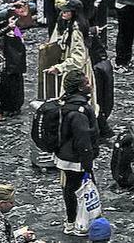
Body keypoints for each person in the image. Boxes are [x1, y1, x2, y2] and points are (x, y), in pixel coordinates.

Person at [54, 70, 96, 236]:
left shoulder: (65, 104)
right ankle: (77, 222)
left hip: (65, 155)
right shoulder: (79, 112)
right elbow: (83, 140)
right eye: (86, 83)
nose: (90, 85)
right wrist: (88, 164)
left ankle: (72, 221)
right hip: (76, 158)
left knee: (69, 189)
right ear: (79, 88)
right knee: (78, 191)